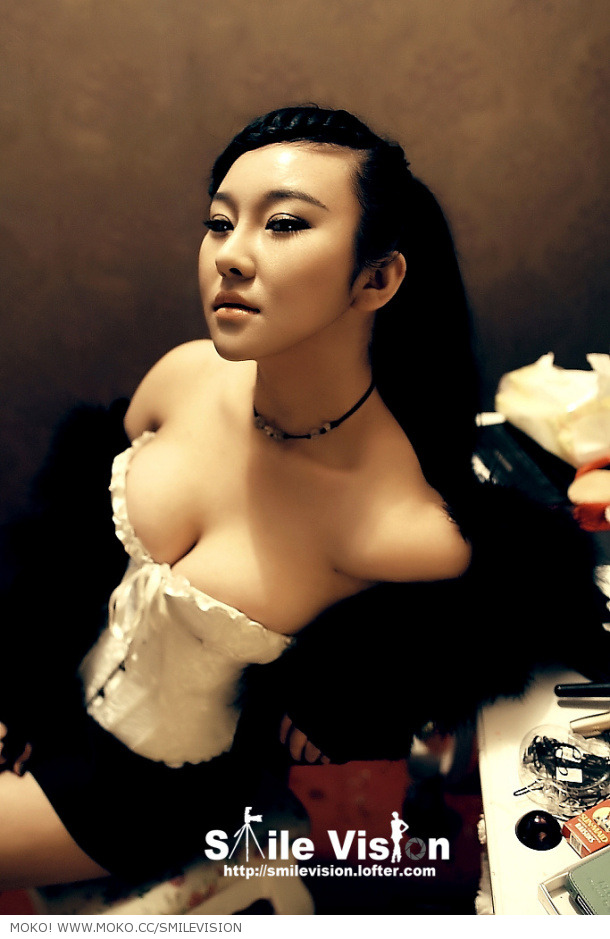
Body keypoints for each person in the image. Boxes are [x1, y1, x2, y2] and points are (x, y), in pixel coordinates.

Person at [0, 105, 608, 891]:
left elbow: (487, 624)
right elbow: (66, 546)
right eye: (220, 223)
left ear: (378, 278)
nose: (231, 255)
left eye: (284, 223)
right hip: (45, 700)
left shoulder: (399, 525)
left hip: (135, 797)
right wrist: (19, 675)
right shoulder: (183, 375)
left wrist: (353, 704)